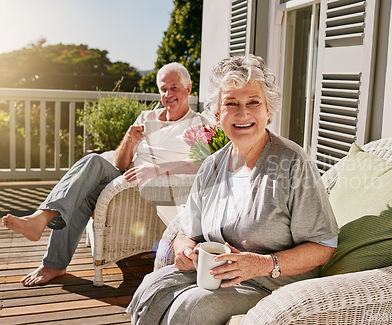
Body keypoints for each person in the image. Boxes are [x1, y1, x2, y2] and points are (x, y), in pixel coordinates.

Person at [126, 55, 340, 324]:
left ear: (268, 110)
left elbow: (324, 246)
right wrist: (184, 249)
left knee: (191, 308)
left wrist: (262, 264)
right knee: (152, 286)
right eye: (231, 103)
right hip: (215, 274)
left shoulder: (293, 164)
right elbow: (185, 232)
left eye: (254, 102)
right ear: (217, 114)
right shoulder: (212, 165)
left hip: (272, 284)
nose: (243, 113)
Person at [2, 62, 208, 286]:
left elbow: (200, 164)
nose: (168, 94)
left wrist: (158, 169)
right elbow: (120, 164)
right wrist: (128, 140)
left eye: (174, 88)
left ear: (188, 89)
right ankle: (50, 251)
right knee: (90, 166)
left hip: (149, 188)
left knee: (83, 192)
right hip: (122, 178)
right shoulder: (146, 117)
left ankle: (49, 247)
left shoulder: (198, 125)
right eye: (163, 89)